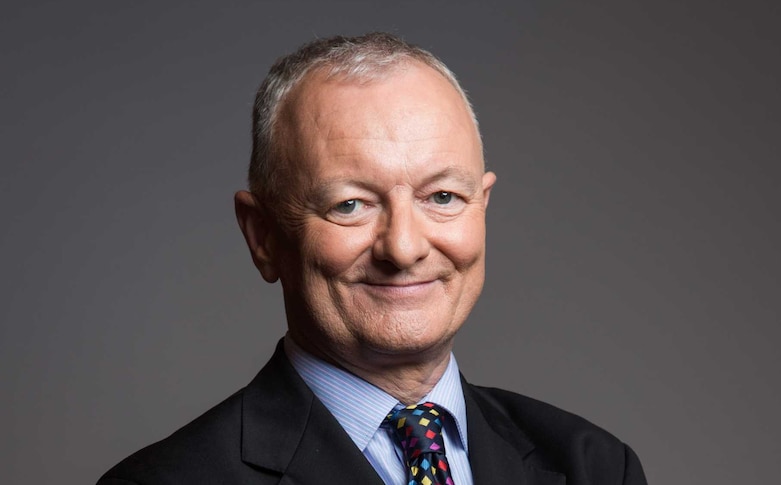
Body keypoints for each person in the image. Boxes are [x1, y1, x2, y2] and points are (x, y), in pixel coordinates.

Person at [98, 32, 648, 485]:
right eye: (351, 204)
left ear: (483, 208)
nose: (404, 248)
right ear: (262, 236)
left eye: (442, 197)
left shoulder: (594, 467)